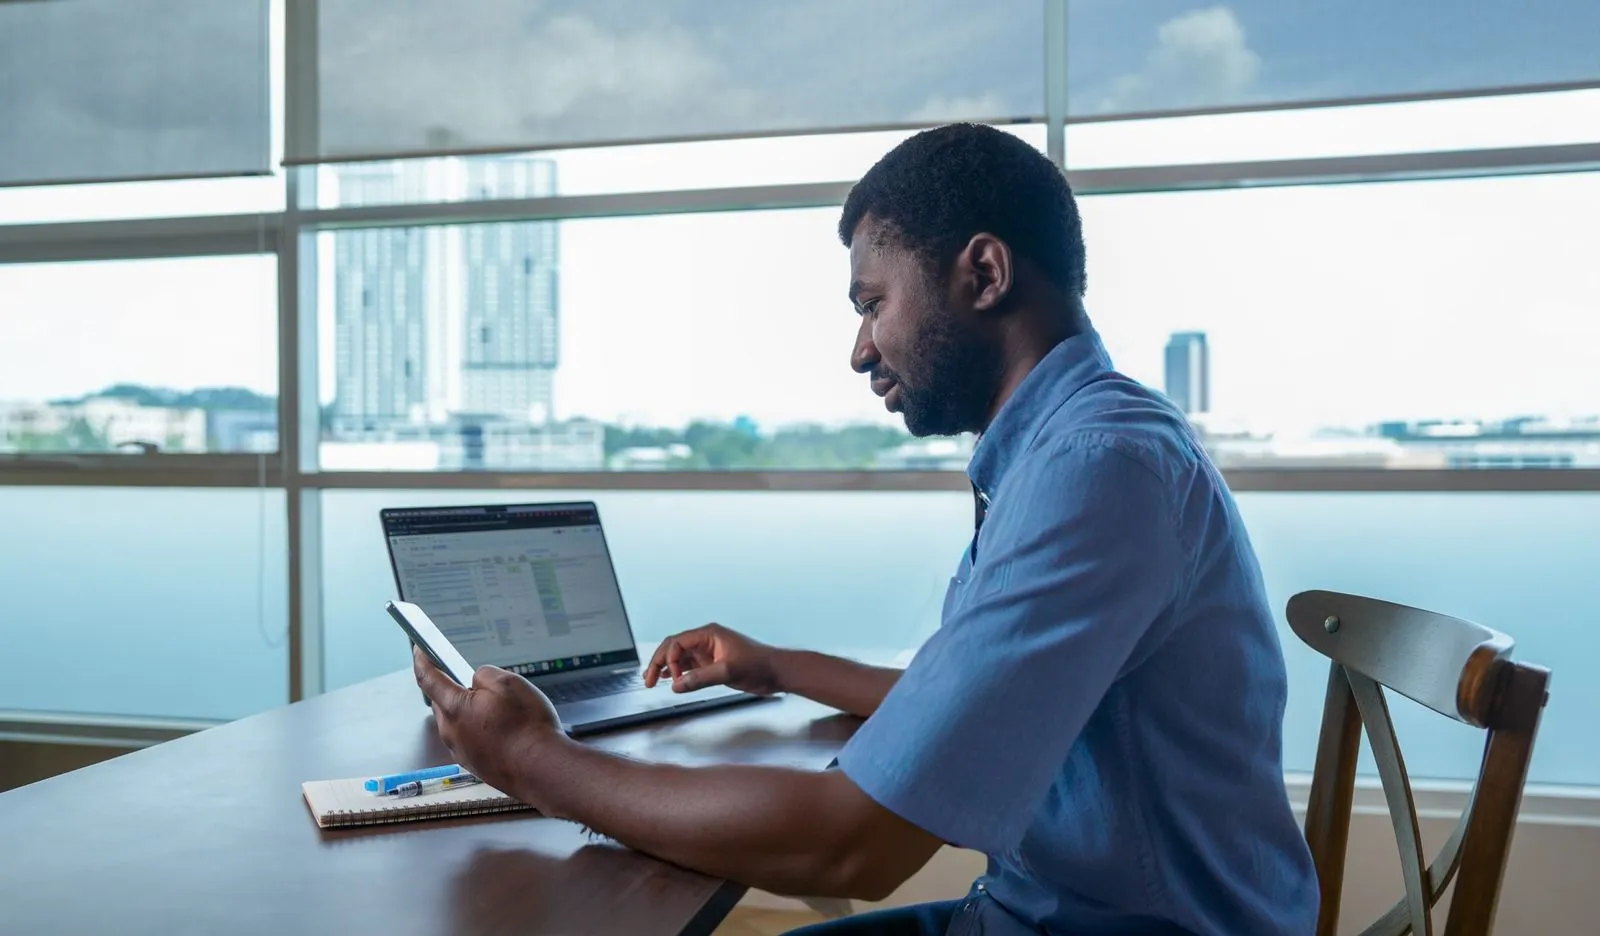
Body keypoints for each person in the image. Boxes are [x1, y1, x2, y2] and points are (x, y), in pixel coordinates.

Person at [411, 123, 1319, 936]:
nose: (859, 349)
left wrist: (531, 760)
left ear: (985, 274)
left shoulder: (1097, 471)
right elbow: (960, 699)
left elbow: (856, 849)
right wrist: (771, 667)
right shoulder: (1076, 444)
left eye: (871, 303)